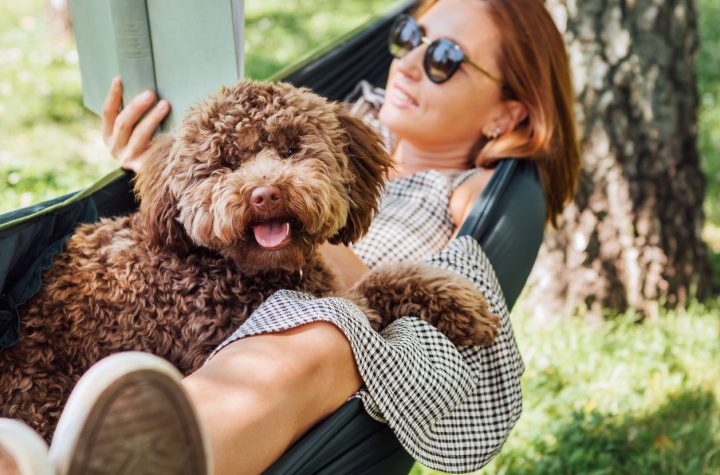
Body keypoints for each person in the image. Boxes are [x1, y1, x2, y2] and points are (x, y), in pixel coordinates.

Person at [0, 0, 579, 474]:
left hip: (320, 328)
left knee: (305, 344)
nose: (406, 65)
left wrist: (316, 235)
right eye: (410, 36)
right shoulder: (334, 109)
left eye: (445, 59)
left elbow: (468, 280)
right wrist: (156, 166)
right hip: (203, 307)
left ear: (509, 117)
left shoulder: (473, 189)